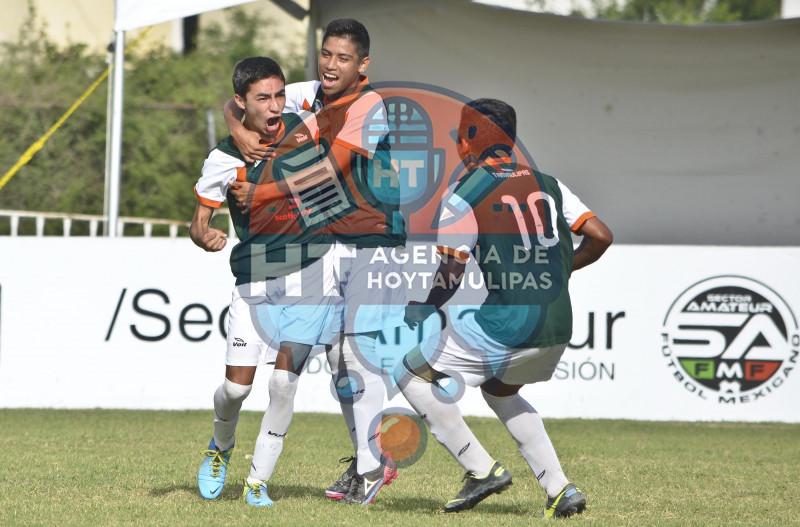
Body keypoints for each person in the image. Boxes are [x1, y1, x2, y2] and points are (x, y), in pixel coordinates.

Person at [399, 98, 613, 518]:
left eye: (462, 132)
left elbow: (452, 268)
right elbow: (601, 235)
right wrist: (562, 270)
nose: (459, 141)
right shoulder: (548, 183)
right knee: (500, 391)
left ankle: (480, 470)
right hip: (557, 321)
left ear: (472, 139)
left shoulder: (466, 192)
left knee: (410, 374)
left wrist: (423, 307)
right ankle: (560, 489)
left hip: (510, 321)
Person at [223, 19, 404, 505]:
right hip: (332, 242)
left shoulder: (370, 106)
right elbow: (244, 99)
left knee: (361, 358)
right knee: (338, 358)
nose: (331, 64)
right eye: (327, 54)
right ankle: (369, 462)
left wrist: (261, 191)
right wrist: (237, 129)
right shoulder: (313, 94)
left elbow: (331, 170)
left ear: (362, 65)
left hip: (372, 241)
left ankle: (376, 466)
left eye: (343, 58)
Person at [191, 56, 339, 507]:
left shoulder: (306, 126)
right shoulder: (223, 157)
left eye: (279, 95)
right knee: (236, 388)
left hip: (310, 272)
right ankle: (220, 447)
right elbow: (198, 223)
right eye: (263, 99)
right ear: (241, 103)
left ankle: (258, 481)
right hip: (254, 280)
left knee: (283, 384)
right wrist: (204, 234)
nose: (275, 106)